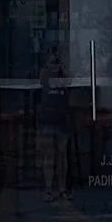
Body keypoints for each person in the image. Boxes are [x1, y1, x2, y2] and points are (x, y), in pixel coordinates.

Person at [36, 46, 71, 201]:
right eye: (52, 62)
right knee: (49, 156)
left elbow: (69, 81)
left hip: (61, 119)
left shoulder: (63, 75)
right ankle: (48, 189)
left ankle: (62, 189)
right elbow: (41, 81)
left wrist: (62, 67)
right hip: (47, 119)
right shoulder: (44, 74)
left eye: (57, 62)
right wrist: (49, 68)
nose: (55, 65)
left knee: (62, 155)